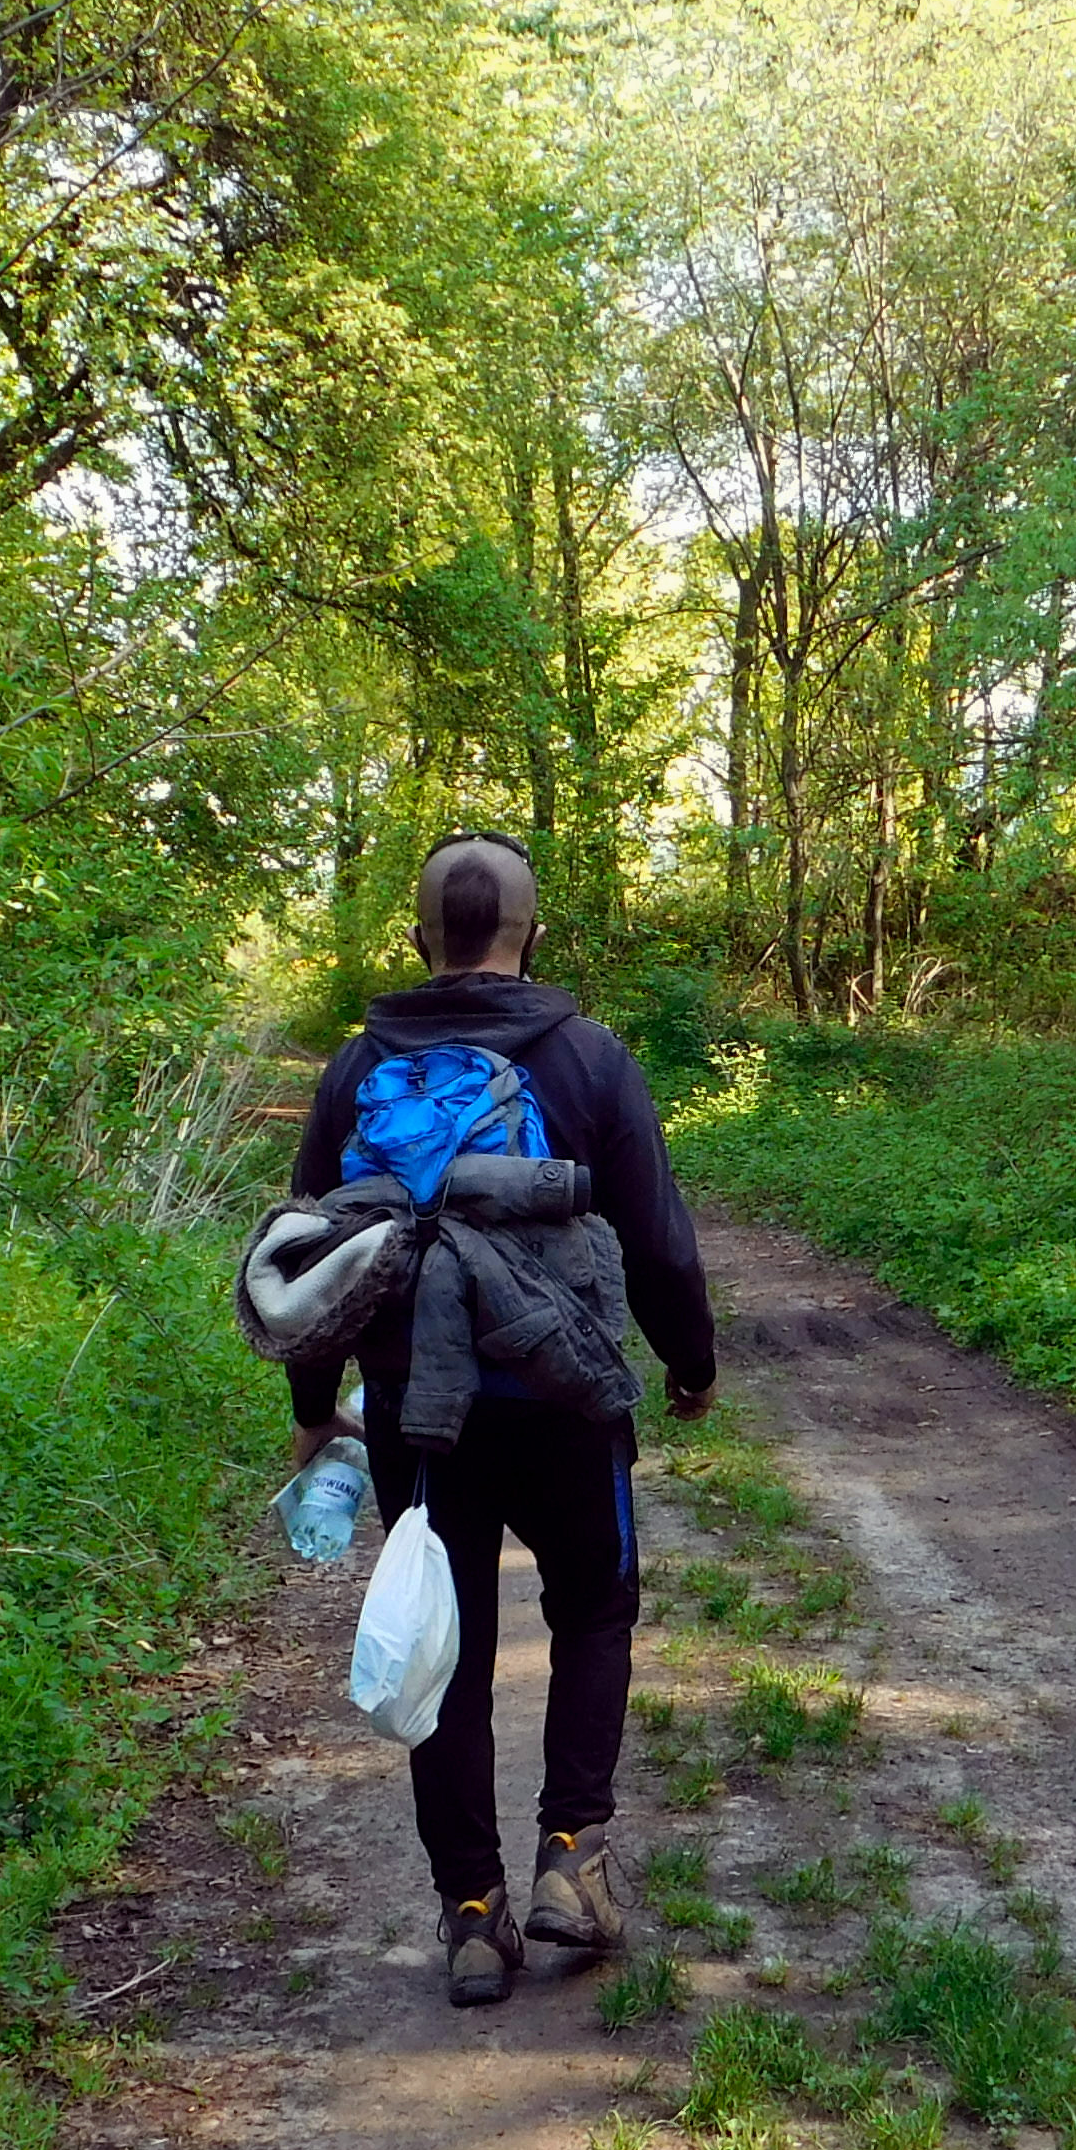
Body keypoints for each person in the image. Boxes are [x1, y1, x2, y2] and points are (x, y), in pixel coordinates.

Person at [287, 833, 718, 2005]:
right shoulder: (587, 1059)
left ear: (421, 939)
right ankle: (572, 1857)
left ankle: (472, 1914)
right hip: (567, 1399)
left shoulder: (356, 1067)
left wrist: (316, 1408)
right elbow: (659, 1236)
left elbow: (313, 1257)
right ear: (533, 937)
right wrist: (691, 1363)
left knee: (449, 1646)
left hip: (424, 1426)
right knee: (594, 1608)